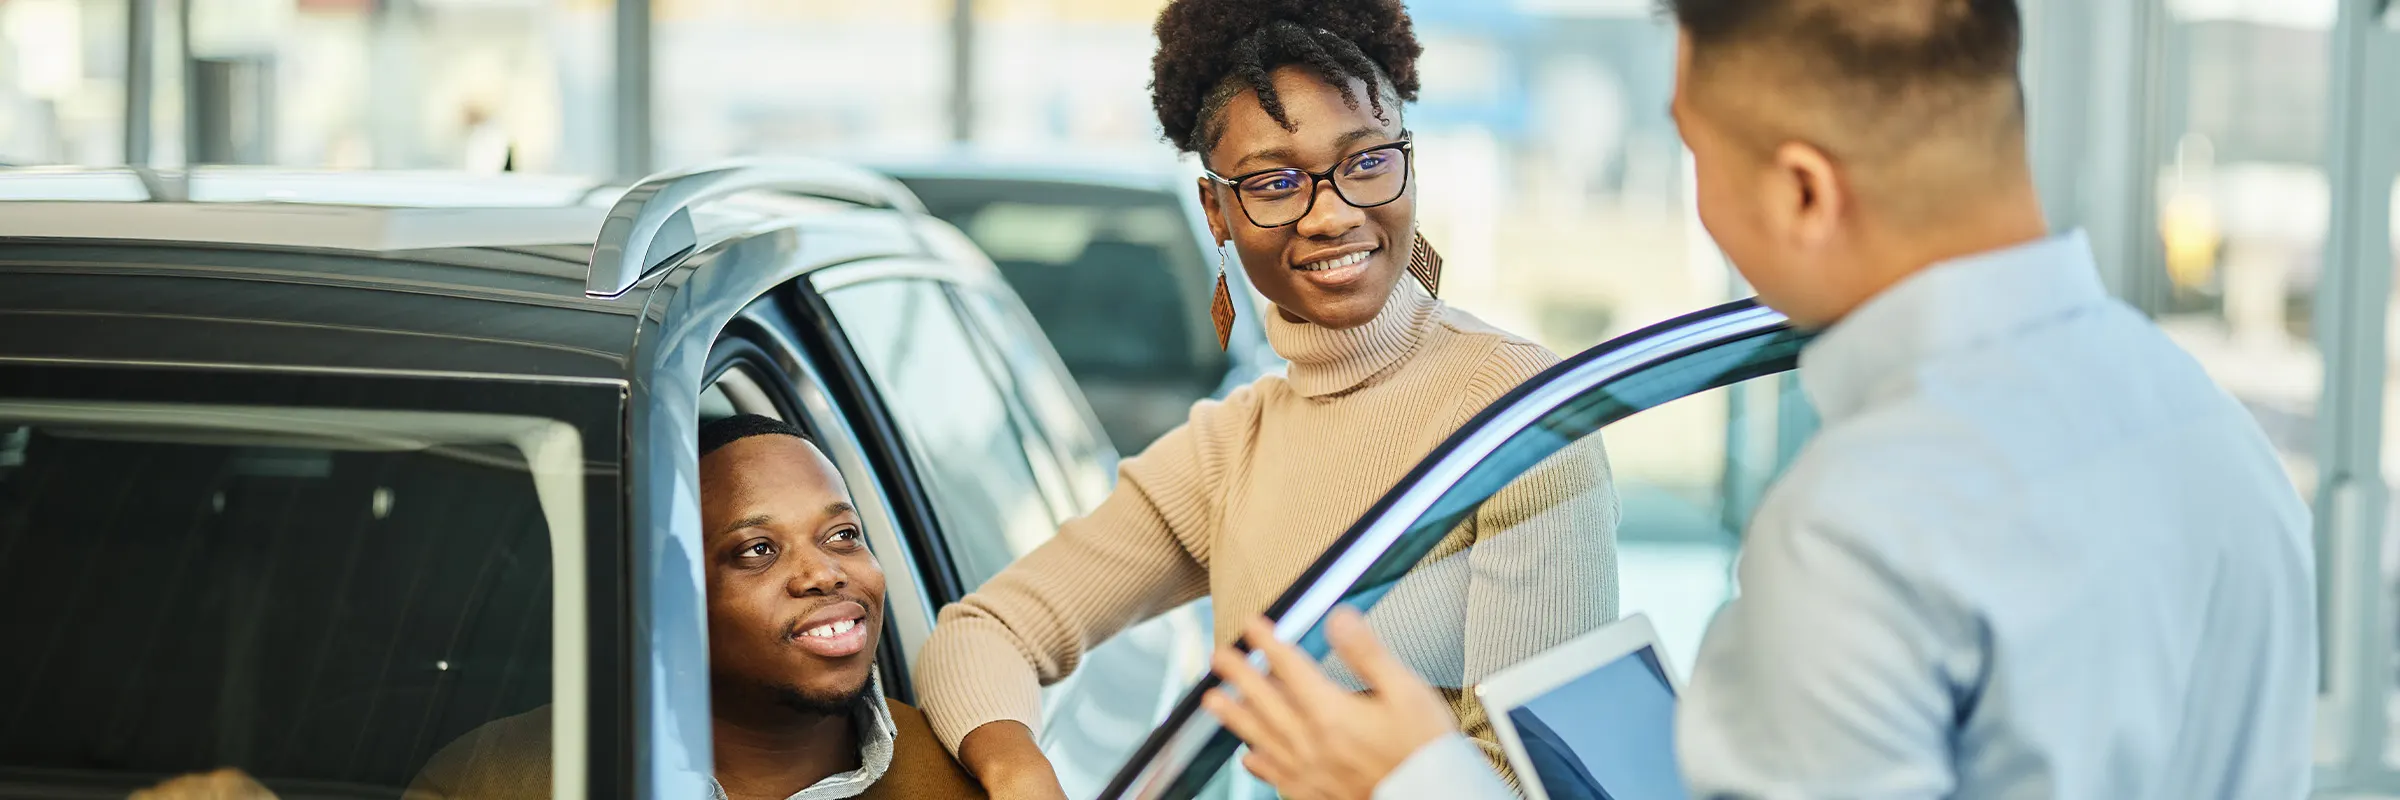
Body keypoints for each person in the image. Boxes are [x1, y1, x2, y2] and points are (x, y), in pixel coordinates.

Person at [1201, 1, 2317, 798]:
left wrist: (1412, 778)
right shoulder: (2207, 425)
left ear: (1801, 190)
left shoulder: (1869, 521)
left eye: (1694, 150)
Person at [911, 0, 1620, 796]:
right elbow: (982, 634)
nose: (1331, 213)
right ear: (1217, 210)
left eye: (1365, 163)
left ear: (1408, 164)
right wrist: (1018, 772)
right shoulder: (1230, 449)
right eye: (1275, 182)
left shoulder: (1517, 413)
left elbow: (1544, 783)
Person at [407, 414, 985, 800]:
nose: (823, 574)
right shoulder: (487, 782)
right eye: (758, 550)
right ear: (669, 599)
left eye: (841, 534)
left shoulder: (971, 781)